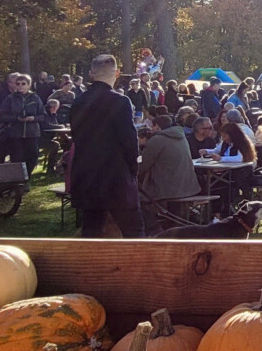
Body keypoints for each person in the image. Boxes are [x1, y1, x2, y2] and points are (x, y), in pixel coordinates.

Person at [69, 53, 143, 238]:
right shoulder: (120, 101)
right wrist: (133, 169)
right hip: (115, 175)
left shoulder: (78, 102)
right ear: (117, 73)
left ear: (91, 74)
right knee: (134, 230)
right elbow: (129, 139)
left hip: (87, 174)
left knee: (91, 230)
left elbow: (76, 136)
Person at [138, 114, 200, 223]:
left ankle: (150, 226)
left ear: (157, 126)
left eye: (152, 126)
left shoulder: (157, 140)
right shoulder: (181, 137)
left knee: (136, 195)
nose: (151, 129)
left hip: (167, 189)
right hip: (188, 186)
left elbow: (144, 166)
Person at [0, 73, 46, 178]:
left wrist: (33, 118)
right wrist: (17, 118)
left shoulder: (35, 98)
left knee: (33, 156)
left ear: (29, 85)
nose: (20, 86)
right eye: (18, 84)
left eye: (23, 84)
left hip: (32, 133)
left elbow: (43, 115)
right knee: (17, 157)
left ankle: (27, 177)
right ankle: (18, 179)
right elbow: (2, 115)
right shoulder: (10, 98)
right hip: (16, 133)